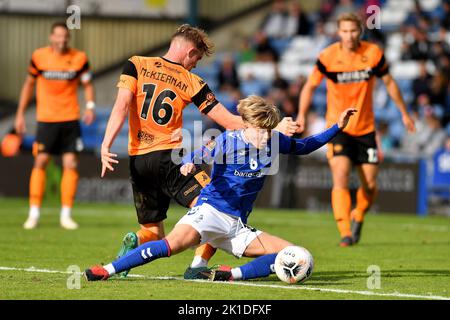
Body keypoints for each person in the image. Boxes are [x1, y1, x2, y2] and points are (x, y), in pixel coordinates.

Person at [84, 95, 356, 282]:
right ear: (246, 125)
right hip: (210, 212)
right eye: (259, 130)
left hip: (238, 226)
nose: (264, 136)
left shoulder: (274, 141)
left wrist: (337, 127)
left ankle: (229, 274)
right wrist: (189, 164)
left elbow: (306, 146)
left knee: (294, 253)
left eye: (268, 131)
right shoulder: (228, 139)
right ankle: (107, 270)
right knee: (170, 246)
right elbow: (201, 152)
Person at [101, 24, 298, 278]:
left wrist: (106, 145)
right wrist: (271, 126)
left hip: (138, 160)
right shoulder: (190, 80)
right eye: (197, 59)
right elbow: (228, 122)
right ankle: (197, 267)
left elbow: (121, 106)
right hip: (169, 157)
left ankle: (132, 249)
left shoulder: (136, 64)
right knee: (218, 204)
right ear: (190, 51)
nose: (195, 65)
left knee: (153, 231)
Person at [296, 13, 416, 247]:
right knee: (340, 176)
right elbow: (310, 86)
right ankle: (345, 232)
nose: (349, 35)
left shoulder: (372, 54)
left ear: (360, 31)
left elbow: (389, 82)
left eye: (353, 31)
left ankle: (359, 213)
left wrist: (403, 112)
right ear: (338, 32)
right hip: (338, 127)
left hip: (365, 129)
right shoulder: (328, 57)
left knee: (370, 186)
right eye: (345, 31)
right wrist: (301, 114)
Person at [14, 22, 96, 230]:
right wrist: (20, 114)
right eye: (58, 36)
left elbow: (87, 85)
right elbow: (28, 85)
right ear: (51, 37)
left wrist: (90, 106)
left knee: (71, 164)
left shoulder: (79, 58)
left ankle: (66, 215)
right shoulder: (39, 57)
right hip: (46, 119)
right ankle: (34, 213)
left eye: (65, 37)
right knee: (40, 161)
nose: (62, 40)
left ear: (68, 38)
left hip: (70, 118)